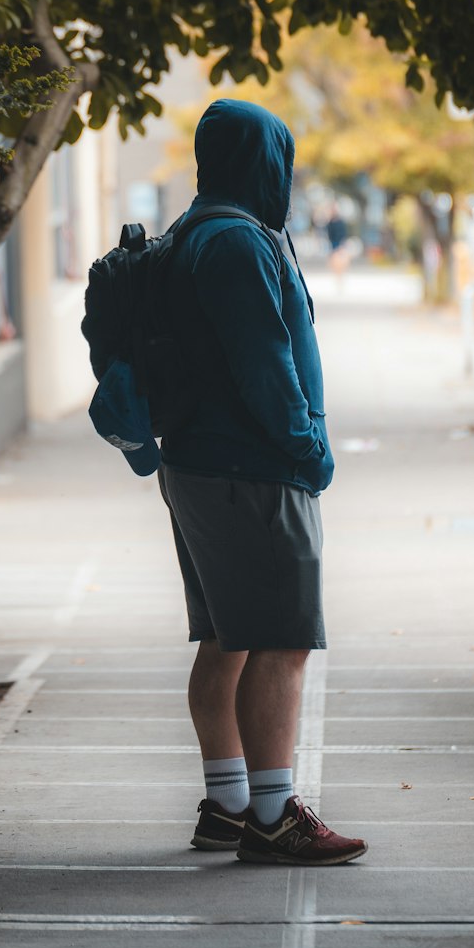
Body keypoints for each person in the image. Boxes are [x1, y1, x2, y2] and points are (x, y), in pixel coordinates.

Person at [158, 99, 367, 866]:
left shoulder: (193, 230)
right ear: (264, 160)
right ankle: (274, 818)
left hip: (200, 465)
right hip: (251, 470)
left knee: (227, 638)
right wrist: (309, 448)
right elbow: (264, 366)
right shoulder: (238, 243)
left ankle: (229, 803)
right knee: (280, 638)